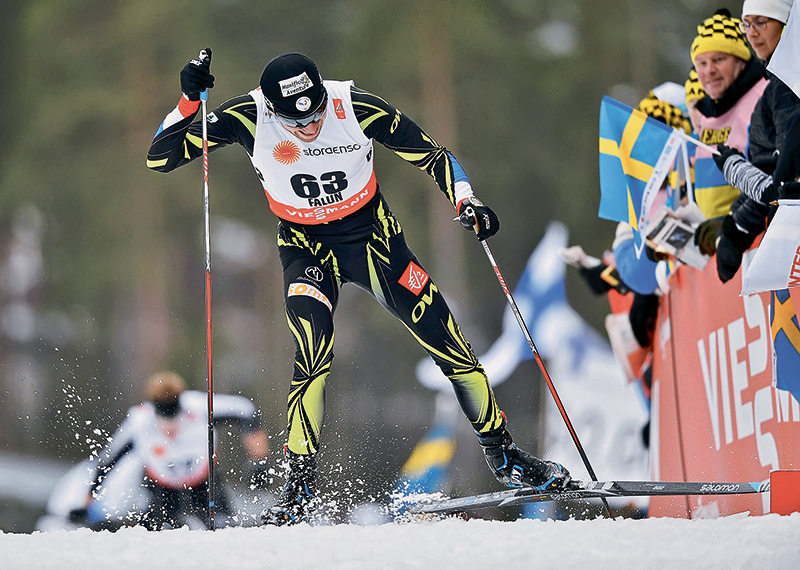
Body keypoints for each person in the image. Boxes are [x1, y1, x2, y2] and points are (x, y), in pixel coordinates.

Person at [146, 50, 572, 525]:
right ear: (271, 108)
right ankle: (299, 489)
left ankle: (506, 459)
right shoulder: (248, 116)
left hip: (374, 240)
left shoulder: (354, 105)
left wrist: (467, 200)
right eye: (295, 119)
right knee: (311, 356)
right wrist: (188, 102)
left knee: (450, 344)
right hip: (306, 248)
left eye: (314, 112)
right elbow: (160, 157)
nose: (308, 126)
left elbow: (431, 154)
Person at [76, 371, 270, 530]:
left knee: (224, 528)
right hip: (162, 489)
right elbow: (107, 462)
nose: (170, 428)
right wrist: (86, 504)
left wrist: (259, 459)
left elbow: (245, 410)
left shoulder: (199, 406)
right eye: (164, 416)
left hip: (205, 484)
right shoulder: (139, 421)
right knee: (154, 532)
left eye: (174, 414)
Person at [706, 0, 800, 282]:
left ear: (787, 26)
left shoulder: (787, 87)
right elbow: (772, 178)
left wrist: (737, 170)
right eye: (747, 24)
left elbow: (783, 184)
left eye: (762, 22)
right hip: (786, 240)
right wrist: (737, 227)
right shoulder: (772, 90)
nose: (752, 33)